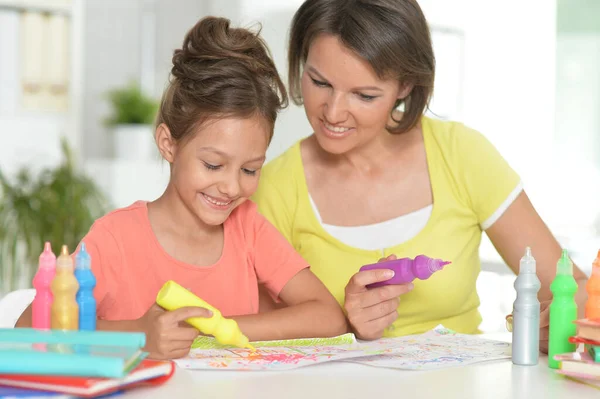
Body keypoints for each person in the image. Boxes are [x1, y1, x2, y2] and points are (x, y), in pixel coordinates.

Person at [252, 0, 588, 351]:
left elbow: (573, 286)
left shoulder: (461, 155)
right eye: (319, 82)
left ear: (406, 86)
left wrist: (557, 323)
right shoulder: (272, 188)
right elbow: (258, 338)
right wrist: (344, 325)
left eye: (364, 95)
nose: (333, 113)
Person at [16, 16, 347, 359]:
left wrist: (217, 327)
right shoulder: (115, 239)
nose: (232, 187)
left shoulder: (247, 227)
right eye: (213, 165)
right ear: (168, 143)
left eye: (250, 169)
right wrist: (139, 335)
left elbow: (328, 316)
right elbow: (28, 329)